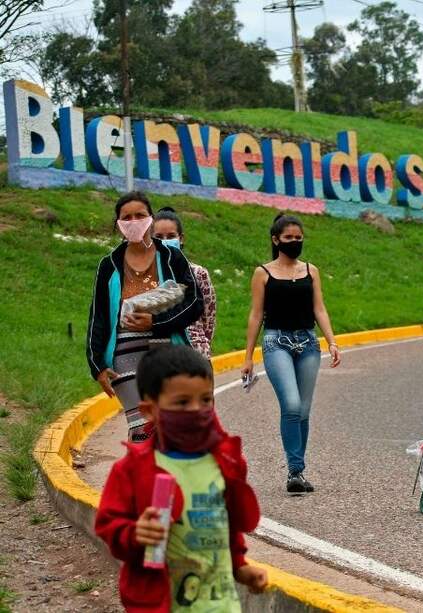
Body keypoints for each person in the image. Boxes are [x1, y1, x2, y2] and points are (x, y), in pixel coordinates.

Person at [94, 344, 267, 612]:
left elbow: (224, 526)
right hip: (164, 603)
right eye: (182, 402)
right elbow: (108, 525)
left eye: (206, 400)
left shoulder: (220, 462)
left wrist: (240, 567)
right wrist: (135, 534)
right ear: (149, 411)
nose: (197, 410)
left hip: (222, 605)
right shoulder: (134, 469)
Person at [87, 191, 202, 442]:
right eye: (126, 217)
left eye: (140, 215)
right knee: (143, 431)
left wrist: (155, 322)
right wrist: (97, 366)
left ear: (151, 218)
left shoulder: (171, 257)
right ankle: (143, 477)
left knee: (171, 427)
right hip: (123, 356)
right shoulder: (109, 264)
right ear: (118, 225)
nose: (133, 221)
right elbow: (98, 317)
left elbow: (195, 303)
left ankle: (166, 479)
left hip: (164, 348)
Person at [241, 214, 341, 495]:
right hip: (276, 343)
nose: (295, 242)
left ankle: (297, 472)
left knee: (305, 410)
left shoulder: (311, 270)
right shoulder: (263, 273)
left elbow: (319, 308)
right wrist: (248, 357)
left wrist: (332, 341)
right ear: (276, 240)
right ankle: (295, 469)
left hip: (308, 342)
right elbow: (256, 314)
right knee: (293, 405)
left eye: (298, 238)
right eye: (289, 238)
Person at [152, 207, 217, 358]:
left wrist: (203, 342)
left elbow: (209, 314)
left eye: (171, 236)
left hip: (195, 351)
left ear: (181, 239)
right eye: (159, 236)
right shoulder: (148, 276)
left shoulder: (198, 273)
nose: (165, 241)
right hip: (160, 352)